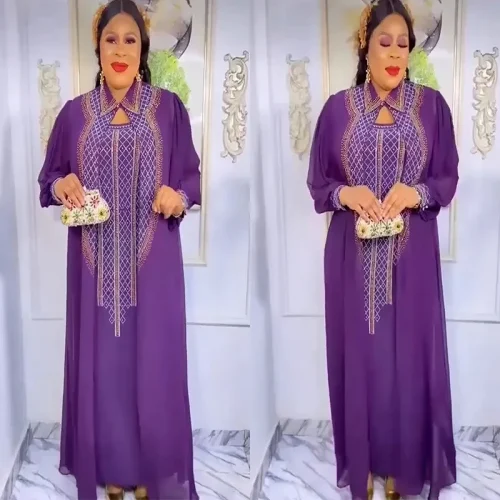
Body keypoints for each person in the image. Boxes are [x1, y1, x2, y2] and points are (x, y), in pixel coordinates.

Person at [37, 1, 200, 499]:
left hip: (155, 271)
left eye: (131, 40)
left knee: (153, 367)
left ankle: (150, 473)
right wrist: (62, 183)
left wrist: (179, 196)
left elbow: (191, 178)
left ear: (143, 49)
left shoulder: (169, 110)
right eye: (112, 40)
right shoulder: (74, 115)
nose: (121, 50)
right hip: (95, 274)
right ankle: (109, 471)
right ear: (98, 48)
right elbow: (48, 180)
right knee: (104, 369)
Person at [307, 1, 458, 499]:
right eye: (384, 42)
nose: (394, 54)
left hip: (412, 263)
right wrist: (346, 194)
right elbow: (319, 183)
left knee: (408, 364)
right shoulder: (337, 110)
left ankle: (402, 469)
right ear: (364, 47)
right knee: (362, 360)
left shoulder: (432, 108)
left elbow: (446, 178)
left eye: (402, 45)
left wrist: (416, 192)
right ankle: (365, 463)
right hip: (352, 262)